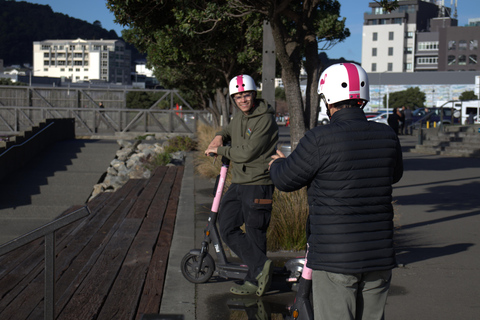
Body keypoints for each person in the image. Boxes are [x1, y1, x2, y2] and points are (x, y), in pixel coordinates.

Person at [269, 63, 403, 320]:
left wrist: (276, 164)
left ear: (328, 100)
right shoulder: (387, 135)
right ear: (363, 97)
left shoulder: (319, 138)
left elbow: (286, 180)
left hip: (334, 258)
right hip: (380, 256)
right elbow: (394, 175)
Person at [204, 74, 278, 296]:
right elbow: (229, 130)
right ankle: (260, 266)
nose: (242, 100)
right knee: (226, 226)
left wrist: (219, 150)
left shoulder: (264, 119)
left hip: (258, 183)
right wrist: (218, 136)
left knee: (255, 233)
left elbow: (246, 153)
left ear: (254, 94)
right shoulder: (240, 117)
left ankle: (256, 280)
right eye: (238, 96)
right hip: (240, 182)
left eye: (246, 95)